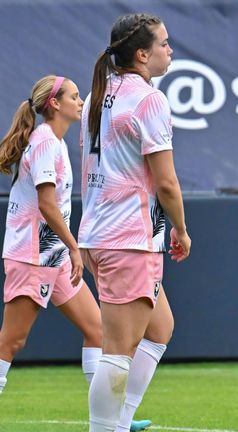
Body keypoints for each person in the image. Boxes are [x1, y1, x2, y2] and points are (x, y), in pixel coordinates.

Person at [80, 13, 191, 432]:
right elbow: (166, 182)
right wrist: (180, 229)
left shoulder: (96, 94)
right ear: (142, 54)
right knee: (117, 352)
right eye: (164, 43)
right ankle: (105, 429)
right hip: (127, 237)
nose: (170, 49)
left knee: (161, 327)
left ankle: (121, 422)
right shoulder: (149, 99)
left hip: (98, 233)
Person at [0, 75, 104, 395]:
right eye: (74, 96)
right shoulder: (45, 141)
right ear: (55, 104)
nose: (81, 102)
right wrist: (74, 248)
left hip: (53, 256)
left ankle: (110, 419)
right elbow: (47, 205)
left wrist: (67, 249)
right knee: (11, 342)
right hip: (32, 255)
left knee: (97, 329)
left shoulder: (54, 141)